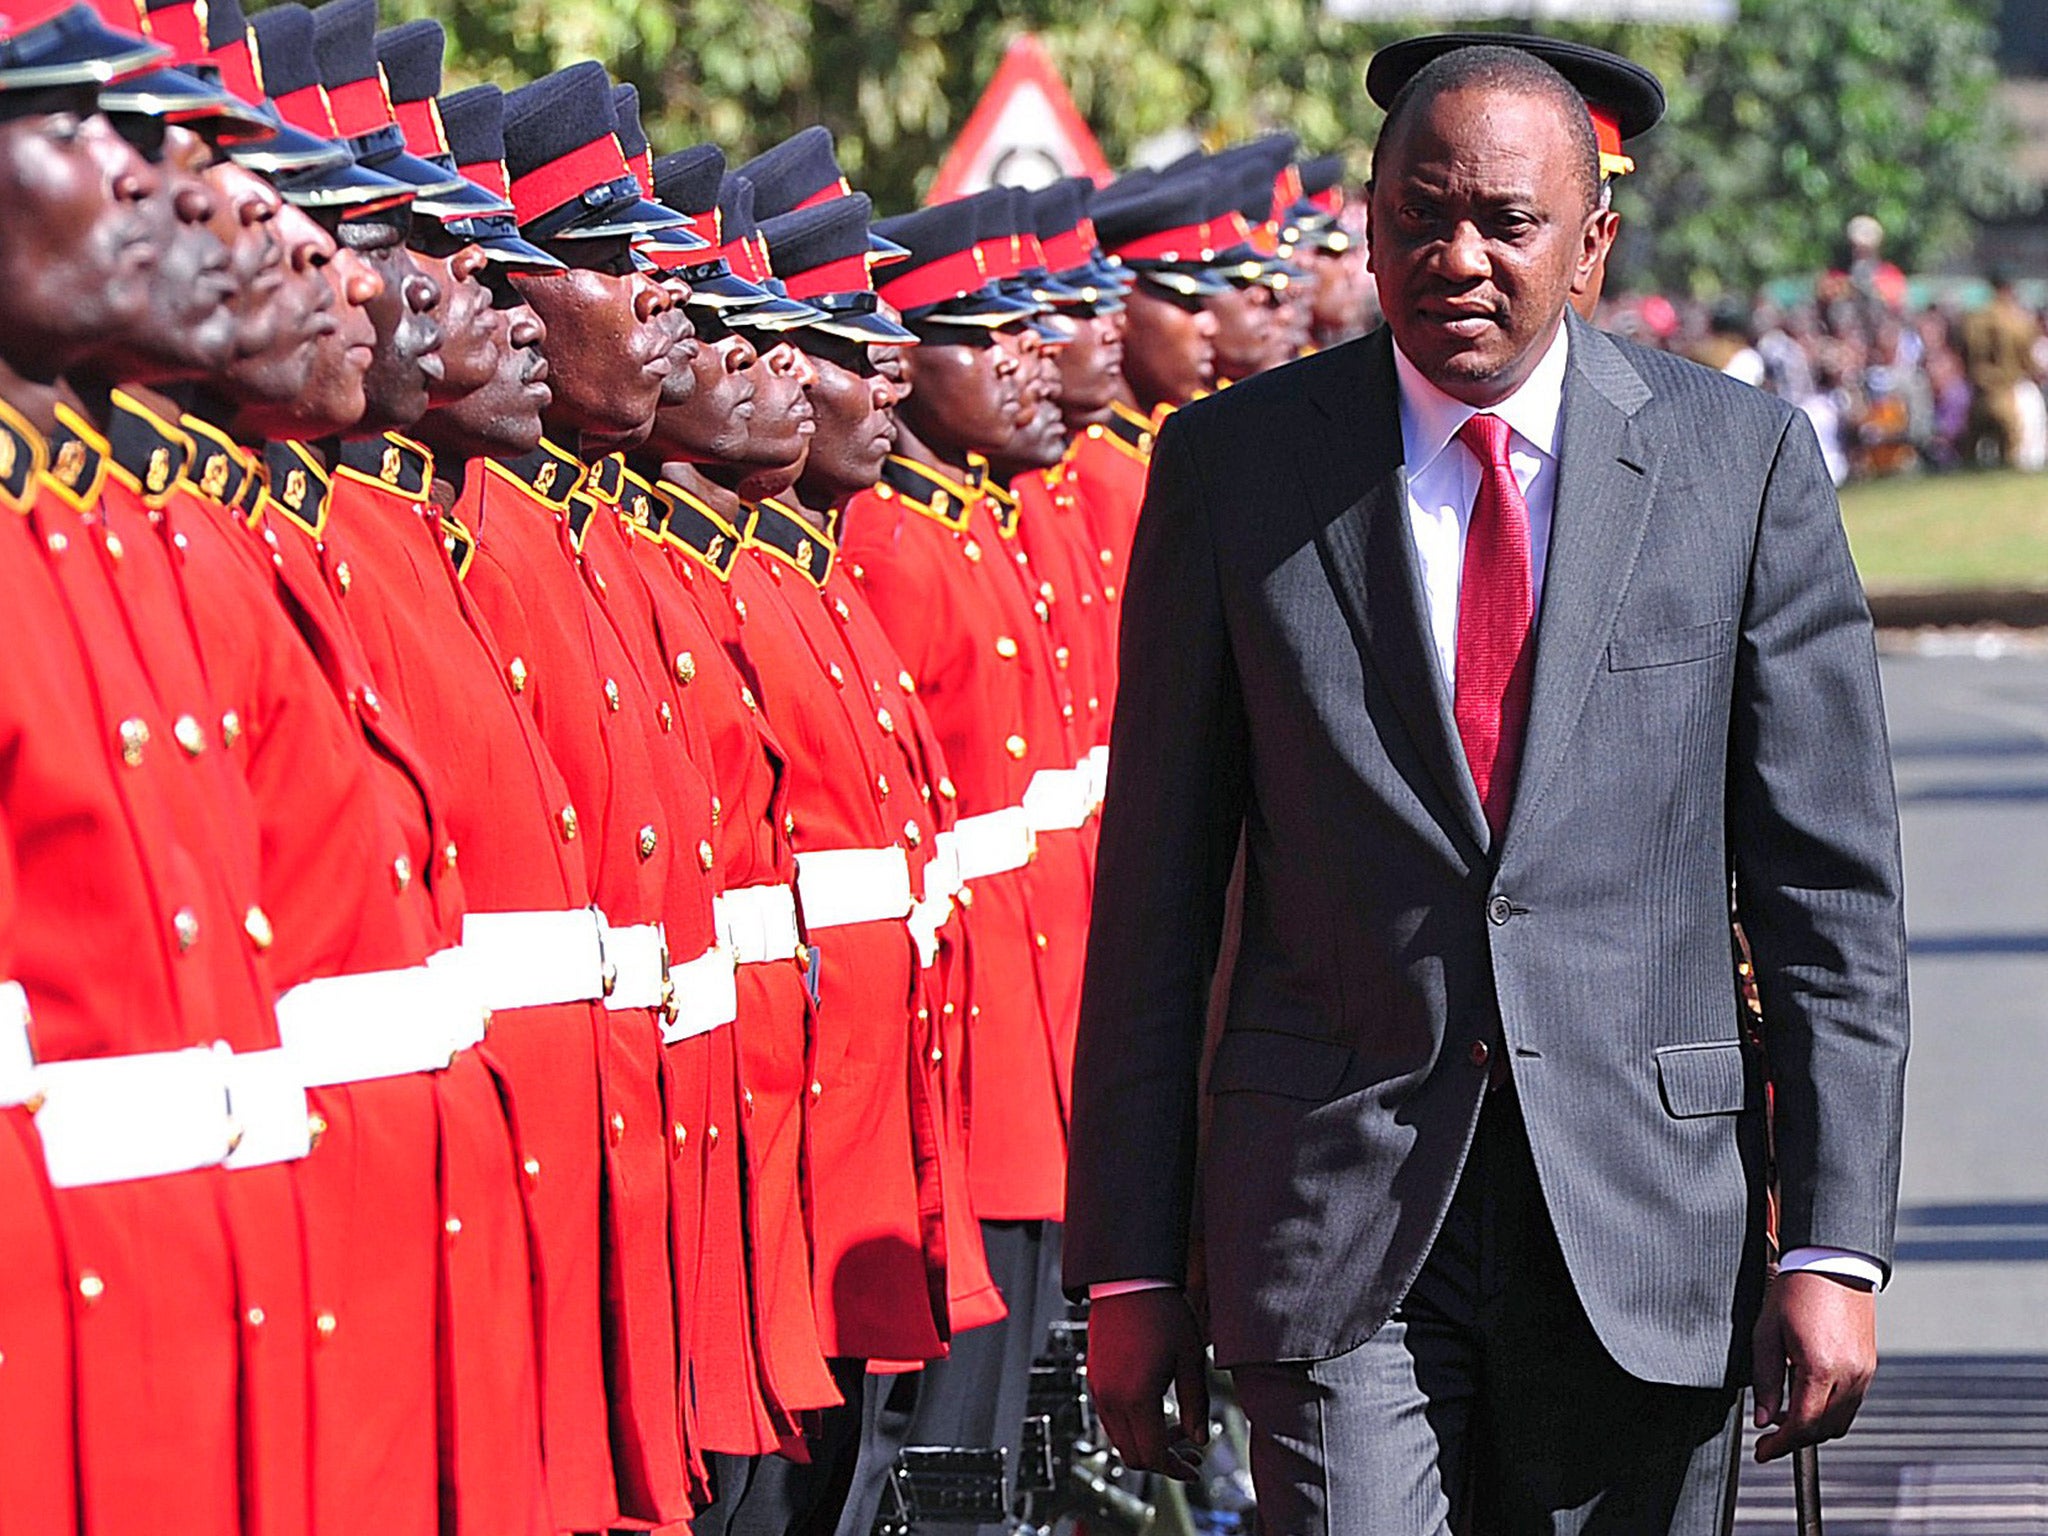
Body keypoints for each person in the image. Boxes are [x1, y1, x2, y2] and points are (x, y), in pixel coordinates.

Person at [1067, 38, 1908, 1536]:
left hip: (1645, 1224)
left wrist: (1833, 1248)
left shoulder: (1744, 466)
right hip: (1337, 1216)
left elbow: (1826, 892)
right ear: (1370, 225)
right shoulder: (1235, 470)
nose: (1458, 257)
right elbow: (1156, 896)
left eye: (1507, 222)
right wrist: (1131, 1262)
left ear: (1590, 244)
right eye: (1420, 216)